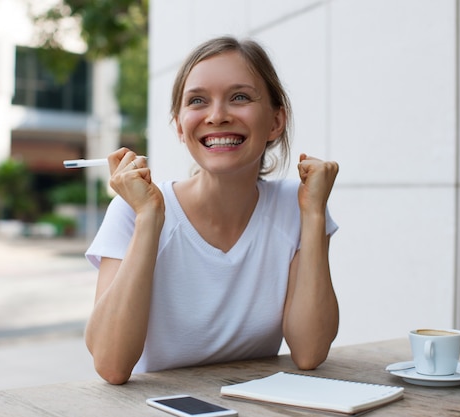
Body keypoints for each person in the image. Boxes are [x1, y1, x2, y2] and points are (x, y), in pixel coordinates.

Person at [84, 36, 340, 385]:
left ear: (276, 121)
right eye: (198, 101)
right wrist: (149, 220)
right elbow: (111, 365)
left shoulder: (299, 204)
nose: (217, 116)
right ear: (179, 125)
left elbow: (309, 352)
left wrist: (313, 216)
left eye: (240, 97)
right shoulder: (132, 209)